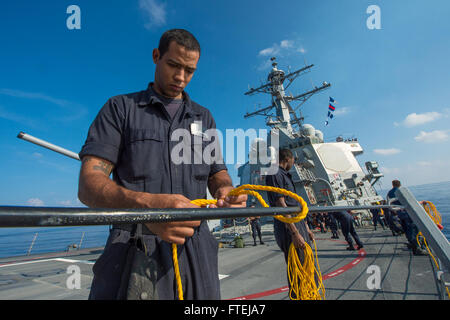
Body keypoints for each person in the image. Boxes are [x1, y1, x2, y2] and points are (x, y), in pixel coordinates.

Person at [78, 29, 247, 300]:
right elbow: (88, 186)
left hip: (198, 252)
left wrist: (227, 190)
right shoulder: (120, 109)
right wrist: (150, 210)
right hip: (133, 251)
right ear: (156, 56)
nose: (181, 77)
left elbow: (218, 174)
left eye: (189, 70)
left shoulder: (205, 118)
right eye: (173, 65)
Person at [265, 148, 315, 296]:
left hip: (297, 222)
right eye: (293, 160)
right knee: (297, 266)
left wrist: (306, 228)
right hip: (288, 225)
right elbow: (281, 205)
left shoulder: (285, 175)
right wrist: (294, 233)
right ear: (288, 159)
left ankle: (309, 295)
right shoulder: (274, 173)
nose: (294, 163)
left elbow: (295, 205)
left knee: (306, 263)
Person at [387, 180, 426, 255]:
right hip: (407, 213)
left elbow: (391, 204)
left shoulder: (390, 193)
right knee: (413, 229)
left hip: (400, 214)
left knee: (407, 230)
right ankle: (416, 248)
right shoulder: (401, 191)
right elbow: (409, 202)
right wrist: (421, 202)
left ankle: (412, 244)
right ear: (400, 184)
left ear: (392, 185)